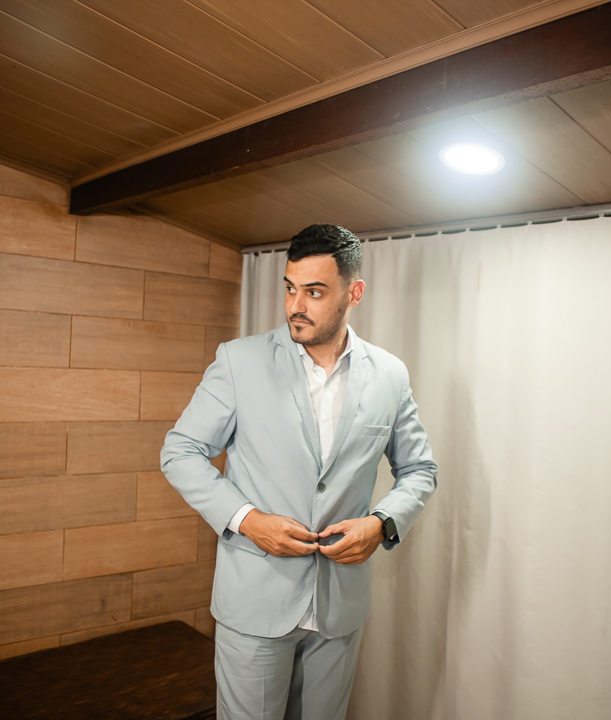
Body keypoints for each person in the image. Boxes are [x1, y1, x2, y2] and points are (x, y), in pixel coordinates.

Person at [161, 224, 437, 720]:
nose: (295, 306)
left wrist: (381, 524)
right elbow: (180, 452)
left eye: (314, 292)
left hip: (340, 608)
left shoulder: (390, 375)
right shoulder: (238, 361)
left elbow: (419, 469)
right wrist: (248, 520)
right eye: (290, 288)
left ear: (354, 293)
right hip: (254, 598)